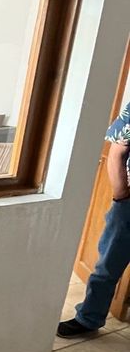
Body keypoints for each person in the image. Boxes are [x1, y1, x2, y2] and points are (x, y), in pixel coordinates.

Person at [58, 103, 130, 337]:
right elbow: (116, 152)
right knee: (107, 266)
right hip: (128, 207)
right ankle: (89, 318)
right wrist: (122, 196)